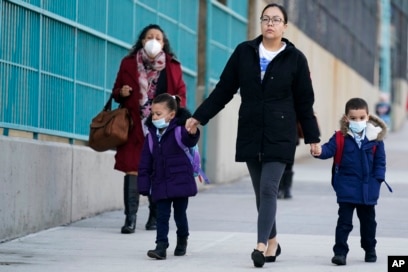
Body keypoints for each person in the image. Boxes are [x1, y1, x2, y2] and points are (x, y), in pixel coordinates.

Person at [185, 3, 320, 268]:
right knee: (261, 191)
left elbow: (305, 102)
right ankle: (273, 242)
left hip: (281, 133)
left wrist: (313, 137)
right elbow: (224, 89)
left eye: (276, 19)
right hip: (250, 130)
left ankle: (259, 245)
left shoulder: (295, 59)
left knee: (270, 187)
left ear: (284, 26)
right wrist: (199, 116)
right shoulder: (244, 52)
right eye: (266, 18)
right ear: (260, 23)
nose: (270, 23)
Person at [111, 24, 187, 234]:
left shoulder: (172, 66)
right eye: (149, 37)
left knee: (157, 171)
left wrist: (175, 103)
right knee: (132, 169)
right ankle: (130, 219)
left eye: (158, 38)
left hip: (160, 128)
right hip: (134, 126)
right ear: (142, 41)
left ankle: (154, 216)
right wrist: (122, 92)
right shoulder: (128, 63)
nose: (153, 41)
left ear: (164, 43)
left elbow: (181, 93)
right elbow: (116, 91)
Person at [312, 97, 388, 266]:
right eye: (353, 118)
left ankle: (370, 249)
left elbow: (380, 162)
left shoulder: (375, 137)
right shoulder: (340, 137)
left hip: (368, 189)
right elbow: (328, 150)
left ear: (368, 116)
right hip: (346, 187)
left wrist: (378, 180)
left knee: (368, 223)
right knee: (344, 223)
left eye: (361, 118)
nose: (358, 121)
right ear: (346, 118)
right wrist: (318, 150)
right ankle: (340, 252)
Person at [138, 94, 200, 260]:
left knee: (180, 215)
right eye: (153, 114)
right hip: (160, 182)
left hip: (180, 182)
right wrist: (143, 184)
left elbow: (190, 140)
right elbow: (145, 162)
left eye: (159, 114)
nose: (154, 117)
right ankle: (161, 246)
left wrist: (193, 132)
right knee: (162, 215)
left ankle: (182, 239)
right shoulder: (151, 136)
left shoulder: (180, 131)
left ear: (172, 114)